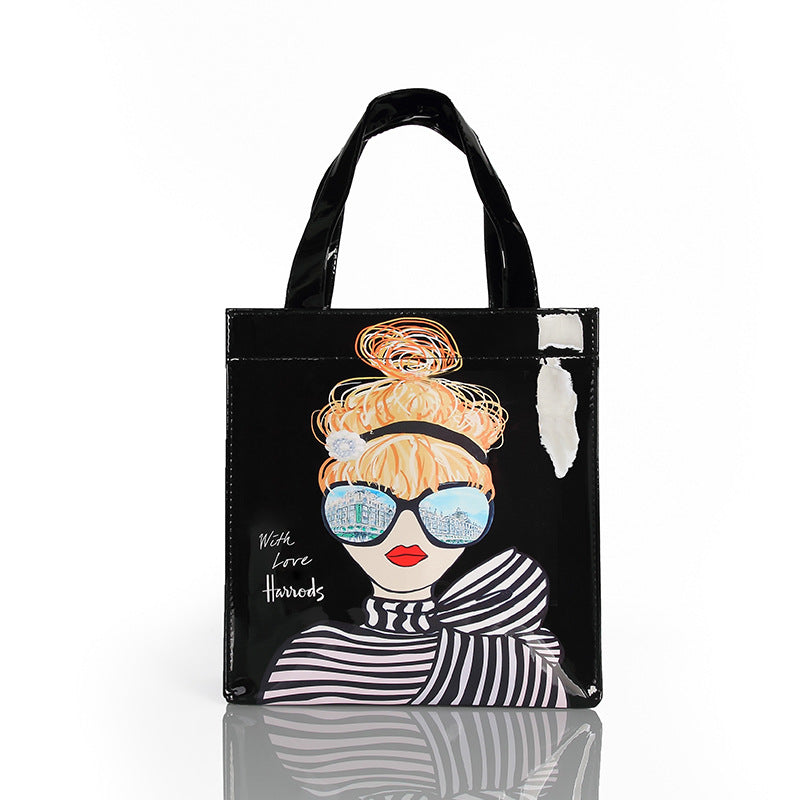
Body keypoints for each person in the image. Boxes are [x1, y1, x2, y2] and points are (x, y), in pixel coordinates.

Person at [260, 316, 571, 707]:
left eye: (450, 512)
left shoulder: (512, 661)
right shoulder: (310, 658)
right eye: (364, 510)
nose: (406, 533)